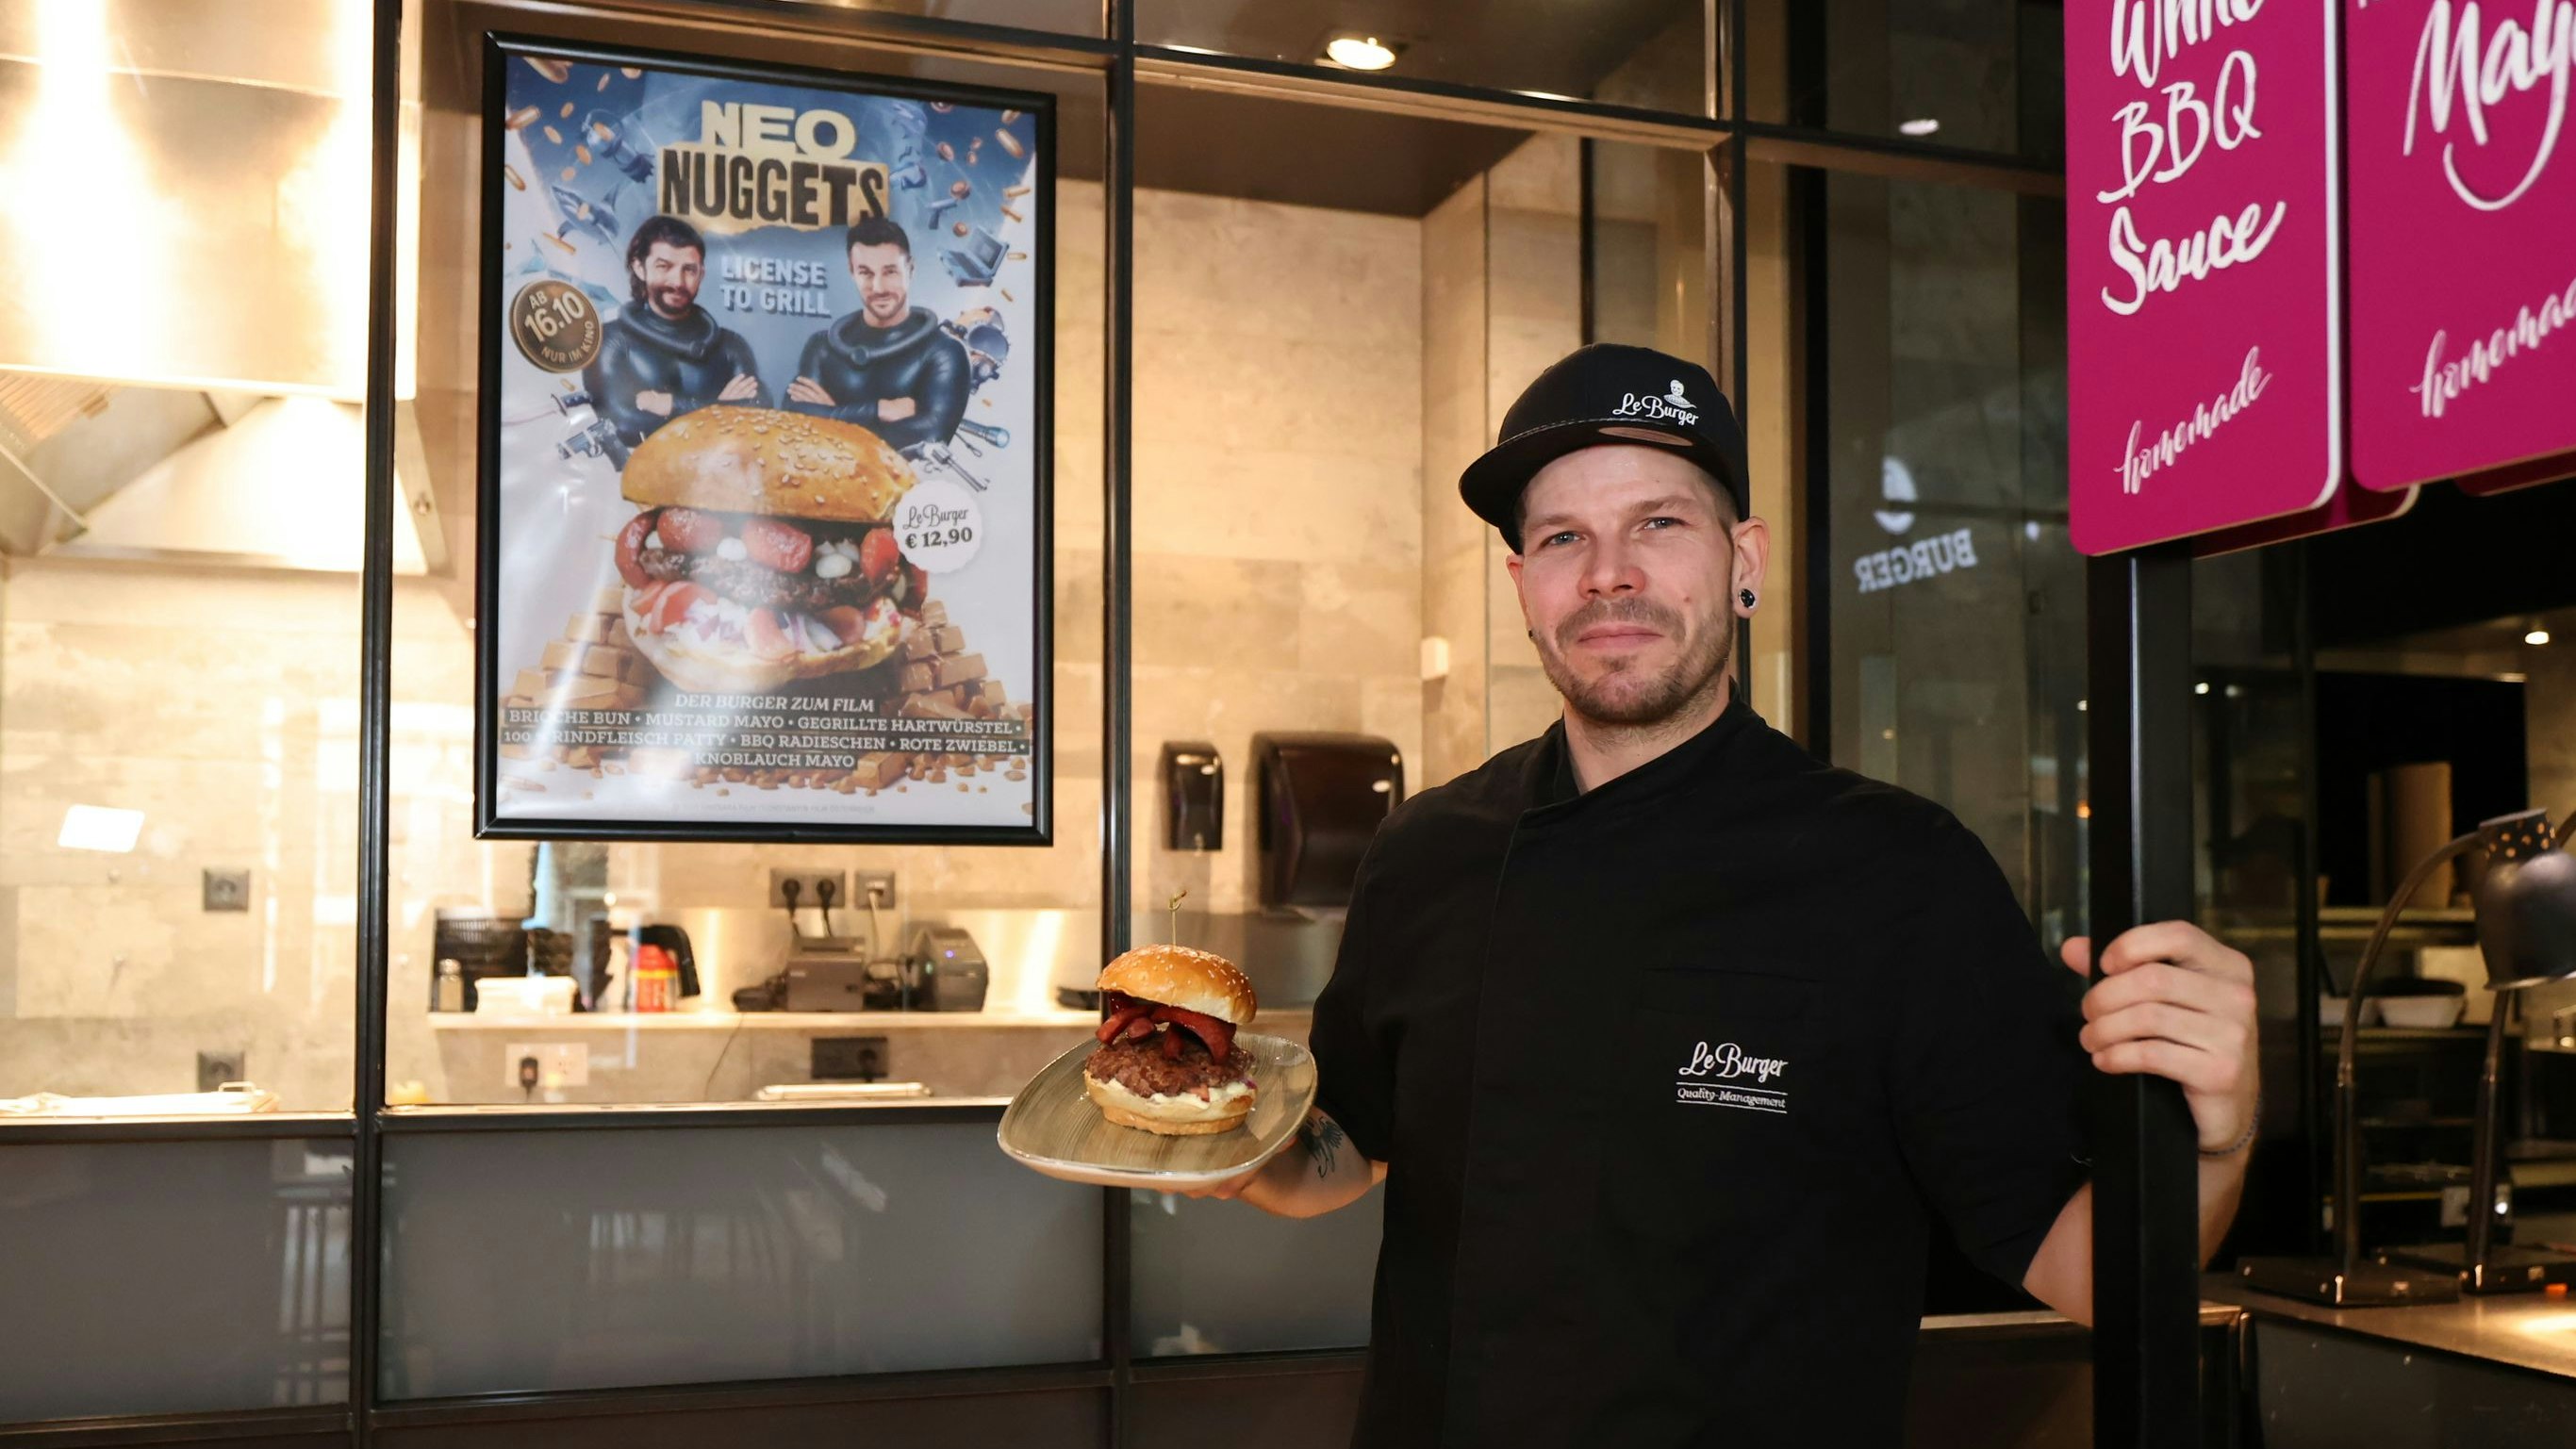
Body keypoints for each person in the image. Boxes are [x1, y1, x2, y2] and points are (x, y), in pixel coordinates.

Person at [1202, 343, 2261, 1446]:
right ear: (1522, 588)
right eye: (1562, 537)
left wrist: (2218, 1140)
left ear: (1743, 562)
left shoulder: (1899, 873)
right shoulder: (1423, 850)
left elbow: (2085, 1264)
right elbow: (1344, 1148)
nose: (1607, 571)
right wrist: (1216, 1137)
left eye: (1657, 523)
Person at [783, 215, 970, 452]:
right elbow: (793, 419)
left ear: (910, 269)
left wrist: (831, 415)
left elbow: (930, 437)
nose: (878, 287)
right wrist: (879, 410)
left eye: (890, 272)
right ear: (852, 272)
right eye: (866, 273)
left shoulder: (944, 353)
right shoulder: (823, 346)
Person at [581, 215, 765, 446]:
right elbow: (622, 424)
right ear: (639, 267)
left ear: (701, 274)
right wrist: (720, 409)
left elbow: (757, 416)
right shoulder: (610, 340)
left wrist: (671, 405)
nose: (677, 281)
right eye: (664, 267)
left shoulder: (729, 345)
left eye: (689, 270)